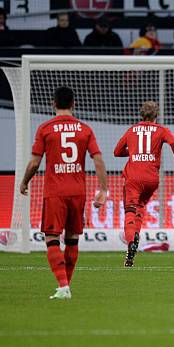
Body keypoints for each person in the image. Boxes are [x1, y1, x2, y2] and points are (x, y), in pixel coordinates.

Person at [19, 86, 108, 299]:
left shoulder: (45, 128)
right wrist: (103, 189)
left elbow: (34, 162)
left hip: (55, 191)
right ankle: (65, 286)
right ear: (73, 104)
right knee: (72, 239)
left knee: (51, 238)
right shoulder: (85, 129)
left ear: (53, 104)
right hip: (78, 191)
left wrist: (24, 181)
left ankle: (63, 285)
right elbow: (98, 159)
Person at [113, 101, 174, 267]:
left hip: (133, 178)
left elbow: (116, 152)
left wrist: (132, 152)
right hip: (152, 179)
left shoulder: (131, 130)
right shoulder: (161, 130)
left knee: (130, 209)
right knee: (141, 206)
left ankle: (131, 241)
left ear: (140, 115)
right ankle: (136, 234)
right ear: (156, 116)